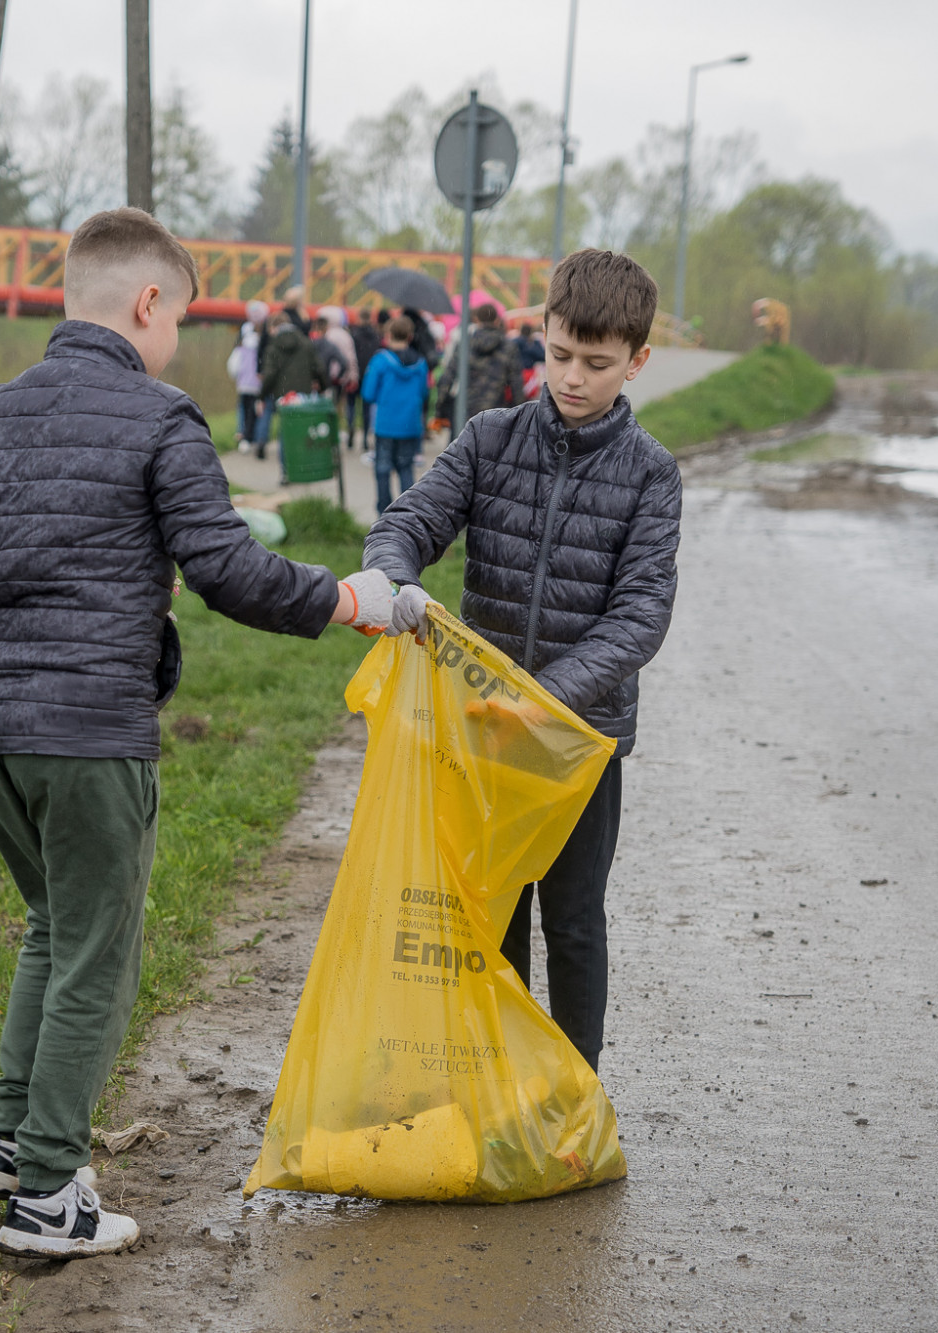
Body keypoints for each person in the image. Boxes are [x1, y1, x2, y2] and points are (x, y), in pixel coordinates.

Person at [0, 207, 395, 1260]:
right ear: (146, 304)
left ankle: (10, 1141)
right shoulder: (159, 415)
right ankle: (49, 1194)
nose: (176, 338)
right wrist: (351, 601)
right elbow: (228, 567)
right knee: (99, 949)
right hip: (90, 730)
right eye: (177, 315)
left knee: (53, 927)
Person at [361, 248, 681, 1076]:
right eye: (562, 354)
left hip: (578, 744)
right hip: (479, 733)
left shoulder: (652, 475)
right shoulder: (488, 440)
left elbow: (640, 616)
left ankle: (574, 1089)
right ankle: (488, 1080)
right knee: (489, 914)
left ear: (637, 362)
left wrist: (539, 697)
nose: (574, 377)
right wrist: (397, 584)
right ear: (542, 334)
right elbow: (406, 523)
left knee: (573, 920)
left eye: (598, 364)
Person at [359, 315, 430, 514]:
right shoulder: (421, 362)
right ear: (410, 336)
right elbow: (424, 393)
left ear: (388, 335)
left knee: (382, 469)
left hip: (386, 424)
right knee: (405, 468)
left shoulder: (380, 361)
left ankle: (384, 512)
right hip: (410, 424)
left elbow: (368, 393)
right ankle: (406, 513)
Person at [437, 302, 527, 428]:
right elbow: (516, 383)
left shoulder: (465, 344)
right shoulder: (509, 347)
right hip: (496, 412)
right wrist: (520, 416)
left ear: (476, 319)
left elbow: (447, 377)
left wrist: (440, 409)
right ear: (496, 320)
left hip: (465, 409)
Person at [254, 309, 321, 459]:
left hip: (279, 391)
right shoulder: (305, 342)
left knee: (282, 428)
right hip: (302, 392)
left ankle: (281, 464)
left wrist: (261, 395)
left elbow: (270, 374)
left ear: (273, 327)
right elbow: (318, 367)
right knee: (299, 428)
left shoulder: (273, 347)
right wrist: (323, 386)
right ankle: (301, 462)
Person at [228, 299, 269, 445]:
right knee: (259, 409)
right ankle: (258, 437)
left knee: (243, 408)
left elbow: (236, 356)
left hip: (244, 380)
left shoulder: (244, 334)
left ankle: (243, 434)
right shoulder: (265, 336)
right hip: (259, 380)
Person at [348, 306, 386, 449]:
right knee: (366, 408)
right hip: (370, 374)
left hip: (355, 374)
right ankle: (364, 437)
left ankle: (350, 430)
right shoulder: (376, 336)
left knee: (351, 405)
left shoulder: (353, 334)